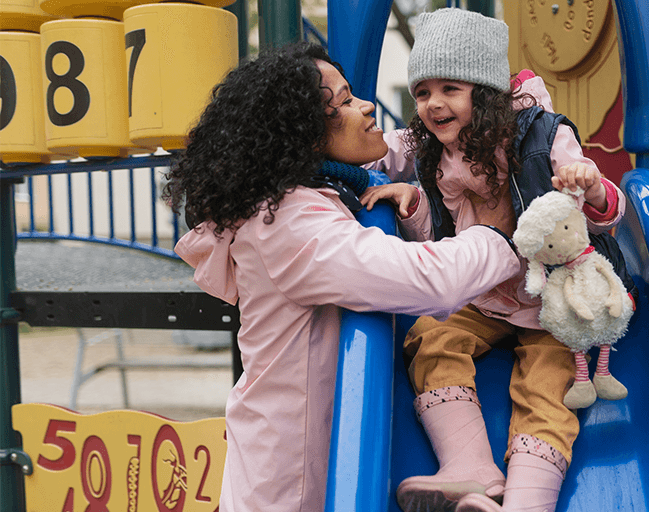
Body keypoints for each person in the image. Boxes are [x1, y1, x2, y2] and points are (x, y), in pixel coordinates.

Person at [164, 42, 523, 512]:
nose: (366, 106)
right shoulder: (290, 227)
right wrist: (503, 234)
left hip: (299, 453)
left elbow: (394, 165)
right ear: (305, 135)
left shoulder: (318, 189)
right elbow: (428, 280)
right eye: (345, 103)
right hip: (289, 481)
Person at [360, 8, 630, 512]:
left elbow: (600, 221)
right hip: (486, 297)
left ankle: (526, 501)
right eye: (422, 92)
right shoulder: (433, 153)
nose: (433, 103)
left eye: (450, 89)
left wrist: (590, 187)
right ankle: (470, 470)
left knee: (547, 390)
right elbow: (441, 228)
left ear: (483, 93)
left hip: (553, 304)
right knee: (430, 338)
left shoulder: (541, 137)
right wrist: (413, 203)